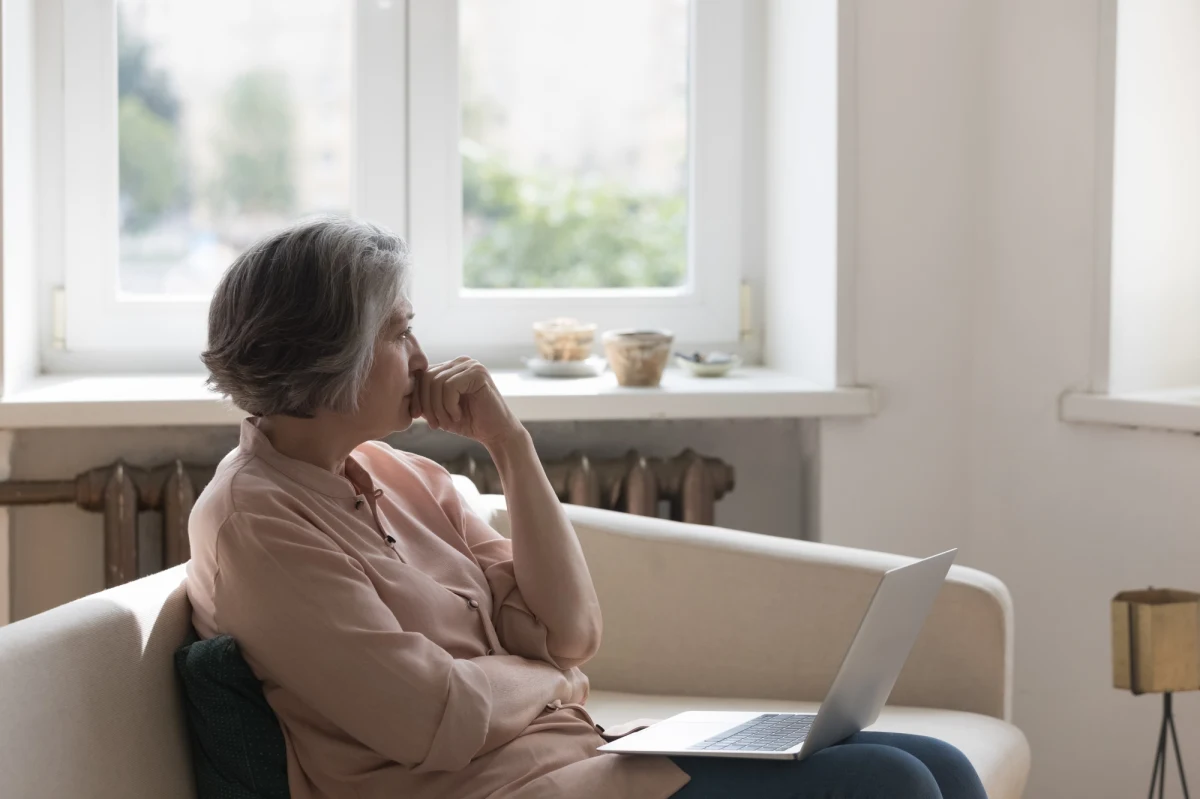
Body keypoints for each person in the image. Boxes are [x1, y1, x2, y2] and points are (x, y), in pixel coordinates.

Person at [186, 217, 987, 799]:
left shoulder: (402, 476)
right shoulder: (256, 526)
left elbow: (570, 632)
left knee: (939, 764)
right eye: (398, 335)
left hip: (578, 759)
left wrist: (511, 444)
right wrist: (553, 681)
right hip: (493, 789)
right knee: (890, 783)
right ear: (332, 359)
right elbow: (433, 720)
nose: (423, 359)